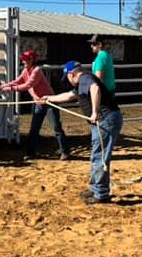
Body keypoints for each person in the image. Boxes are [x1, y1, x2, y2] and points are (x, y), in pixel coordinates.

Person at [37, 61, 122, 204]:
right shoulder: (83, 82)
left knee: (99, 156)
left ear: (72, 75)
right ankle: (96, 189)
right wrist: (48, 98)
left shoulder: (85, 78)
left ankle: (101, 193)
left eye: (68, 78)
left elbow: (95, 88)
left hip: (105, 120)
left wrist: (95, 112)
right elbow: (68, 96)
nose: (69, 82)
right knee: (97, 155)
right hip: (104, 120)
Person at [0, 50, 70, 160]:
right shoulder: (25, 70)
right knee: (34, 129)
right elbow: (18, 81)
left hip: (49, 102)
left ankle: (65, 151)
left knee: (56, 127)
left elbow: (28, 85)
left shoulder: (37, 70)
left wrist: (10, 88)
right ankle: (30, 153)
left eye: (25, 59)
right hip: (39, 103)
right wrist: (5, 85)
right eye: (23, 59)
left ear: (32, 60)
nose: (23, 61)